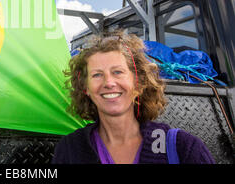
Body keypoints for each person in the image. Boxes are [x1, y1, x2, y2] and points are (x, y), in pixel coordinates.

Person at [52, 31, 215, 164]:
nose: (109, 82)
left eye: (118, 72)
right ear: (85, 88)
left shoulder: (184, 148)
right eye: (97, 74)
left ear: (138, 84)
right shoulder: (70, 149)